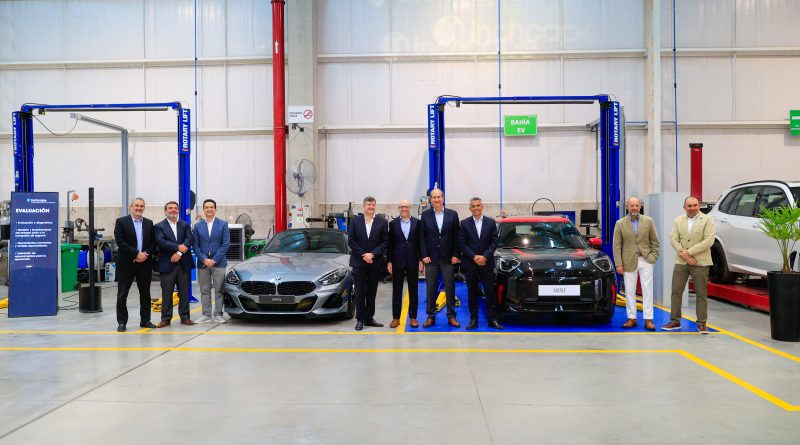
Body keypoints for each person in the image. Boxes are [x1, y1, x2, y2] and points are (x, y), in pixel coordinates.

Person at [662, 196, 716, 334]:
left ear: (699, 206)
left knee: (701, 293)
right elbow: (673, 239)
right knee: (676, 291)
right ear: (684, 207)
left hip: (701, 262)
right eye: (689, 206)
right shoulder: (678, 220)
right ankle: (675, 321)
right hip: (681, 261)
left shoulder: (708, 220)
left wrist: (689, 253)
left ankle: (702, 323)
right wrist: (684, 255)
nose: (692, 208)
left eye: (695, 205)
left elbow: (708, 241)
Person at [612, 197, 660, 330]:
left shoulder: (648, 221)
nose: (634, 208)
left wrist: (653, 257)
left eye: (637, 205)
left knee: (647, 290)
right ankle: (631, 318)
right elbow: (616, 246)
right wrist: (618, 264)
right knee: (629, 290)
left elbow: (655, 241)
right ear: (627, 207)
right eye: (632, 205)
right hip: (628, 261)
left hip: (646, 260)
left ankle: (649, 319)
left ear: (640, 207)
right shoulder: (620, 223)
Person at [458, 197, 503, 330]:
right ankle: (473, 320)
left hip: (487, 263)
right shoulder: (464, 223)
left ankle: (492, 320)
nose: (476, 208)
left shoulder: (490, 222)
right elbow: (462, 243)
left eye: (478, 205)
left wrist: (485, 256)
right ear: (470, 208)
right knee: (472, 293)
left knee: (490, 292)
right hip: (470, 264)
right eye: (473, 206)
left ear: (482, 207)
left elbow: (494, 241)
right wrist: (474, 257)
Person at [419, 188, 461, 328]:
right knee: (431, 288)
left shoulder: (453, 214)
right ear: (430, 200)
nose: (436, 199)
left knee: (450, 288)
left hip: (448, 258)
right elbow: (422, 237)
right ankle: (431, 316)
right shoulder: (425, 216)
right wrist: (424, 255)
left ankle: (451, 316)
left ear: (443, 198)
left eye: (439, 197)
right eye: (434, 197)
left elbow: (457, 237)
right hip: (431, 259)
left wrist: (456, 255)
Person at [114, 198, 157, 332]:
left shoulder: (149, 223)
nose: (139, 208)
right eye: (136, 205)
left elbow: (153, 242)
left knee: (145, 293)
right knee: (122, 294)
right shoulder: (121, 222)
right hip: (127, 263)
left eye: (141, 206)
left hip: (144, 263)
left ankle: (145, 320)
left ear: (144, 208)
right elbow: (120, 241)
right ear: (130, 207)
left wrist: (145, 254)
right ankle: (122, 322)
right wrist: (136, 254)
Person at [348, 196, 389, 331]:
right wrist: (364, 255)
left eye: (373, 205)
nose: (371, 207)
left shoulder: (382, 222)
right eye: (368, 205)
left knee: (372, 292)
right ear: (364, 206)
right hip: (359, 262)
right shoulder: (355, 221)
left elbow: (385, 242)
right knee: (359, 291)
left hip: (375, 262)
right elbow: (351, 240)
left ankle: (369, 318)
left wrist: (372, 254)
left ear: (375, 206)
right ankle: (360, 319)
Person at [154, 201, 195, 328]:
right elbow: (161, 241)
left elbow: (189, 239)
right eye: (170, 208)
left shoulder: (185, 225)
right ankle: (166, 318)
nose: (173, 210)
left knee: (184, 292)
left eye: (175, 208)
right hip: (167, 264)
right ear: (165, 211)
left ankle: (185, 317)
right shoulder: (159, 226)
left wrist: (179, 253)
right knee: (167, 293)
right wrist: (178, 247)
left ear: (178, 210)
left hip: (183, 263)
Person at [192, 199, 230, 324]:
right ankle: (206, 315)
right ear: (203, 209)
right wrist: (204, 259)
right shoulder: (198, 226)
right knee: (204, 290)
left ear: (215, 209)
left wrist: (214, 260)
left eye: (211, 207)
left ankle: (218, 314)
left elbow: (225, 244)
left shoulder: (223, 224)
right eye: (206, 207)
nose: (209, 209)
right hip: (203, 263)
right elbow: (195, 245)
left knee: (219, 289)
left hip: (219, 263)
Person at [387, 200, 423, 328]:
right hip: (397, 261)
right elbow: (390, 244)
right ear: (399, 208)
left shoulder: (417, 223)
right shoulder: (393, 224)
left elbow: (420, 242)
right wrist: (389, 261)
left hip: (413, 260)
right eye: (402, 207)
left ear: (410, 208)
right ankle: (396, 318)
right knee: (397, 290)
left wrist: (421, 260)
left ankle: (413, 318)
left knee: (414, 290)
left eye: (406, 206)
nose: (404, 209)